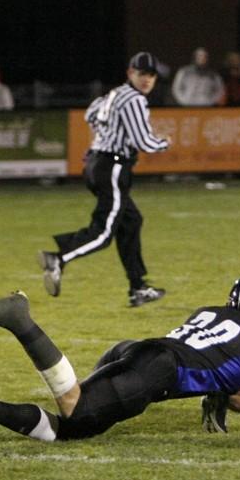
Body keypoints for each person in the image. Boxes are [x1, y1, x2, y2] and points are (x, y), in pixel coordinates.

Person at [0, 273, 240, 441]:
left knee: (74, 424)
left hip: (137, 350)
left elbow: (221, 375)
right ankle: (20, 320)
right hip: (156, 372)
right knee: (74, 413)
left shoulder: (213, 312)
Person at [38, 52, 170, 306]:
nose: (147, 80)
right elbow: (143, 141)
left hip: (98, 163)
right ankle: (59, 258)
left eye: (151, 75)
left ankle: (138, 287)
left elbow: (90, 115)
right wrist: (164, 143)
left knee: (131, 221)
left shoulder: (114, 94)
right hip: (112, 166)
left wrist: (104, 136)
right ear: (131, 73)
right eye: (142, 74)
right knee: (104, 231)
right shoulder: (134, 100)